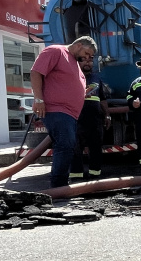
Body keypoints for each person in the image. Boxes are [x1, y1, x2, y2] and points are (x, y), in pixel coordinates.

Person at [31, 36, 98, 188]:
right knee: (65, 145)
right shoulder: (56, 51)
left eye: (90, 56)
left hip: (69, 114)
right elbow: (36, 72)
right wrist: (39, 100)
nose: (87, 57)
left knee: (67, 145)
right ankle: (58, 185)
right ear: (79, 45)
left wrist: (81, 94)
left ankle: (60, 184)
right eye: (87, 52)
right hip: (57, 110)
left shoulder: (73, 61)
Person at [70, 53, 111, 181]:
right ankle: (76, 178)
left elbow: (102, 99)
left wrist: (107, 115)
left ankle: (95, 176)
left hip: (95, 121)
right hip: (77, 120)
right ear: (78, 62)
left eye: (90, 60)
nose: (87, 63)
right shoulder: (71, 77)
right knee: (75, 150)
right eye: (83, 59)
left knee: (96, 149)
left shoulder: (96, 78)